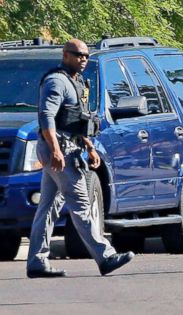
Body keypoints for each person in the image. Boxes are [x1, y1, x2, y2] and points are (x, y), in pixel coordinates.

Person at [26, 39, 134, 278]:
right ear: (65, 55)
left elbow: (75, 120)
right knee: (81, 204)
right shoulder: (57, 81)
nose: (83, 59)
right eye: (78, 55)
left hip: (67, 146)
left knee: (48, 208)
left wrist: (90, 147)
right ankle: (105, 257)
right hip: (59, 150)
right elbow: (47, 116)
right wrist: (55, 150)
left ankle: (36, 261)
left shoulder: (76, 82)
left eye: (86, 55)